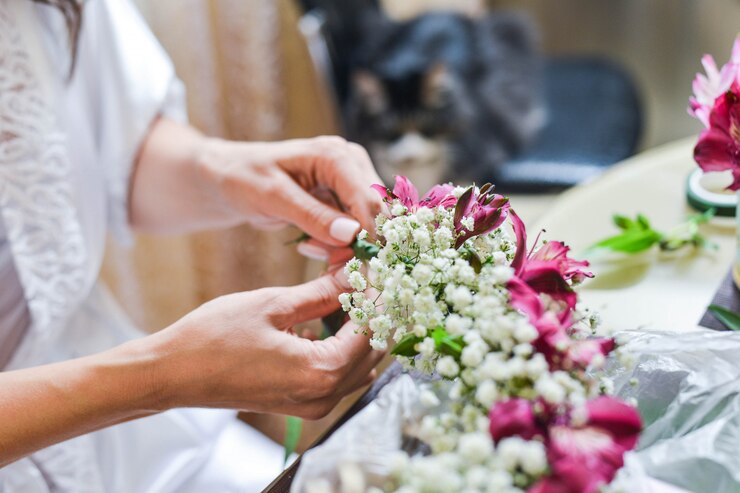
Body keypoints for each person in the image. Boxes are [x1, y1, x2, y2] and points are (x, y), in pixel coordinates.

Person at [0, 0, 385, 491]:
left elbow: (115, 149)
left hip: (139, 443)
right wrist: (160, 378)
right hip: (113, 399)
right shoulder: (154, 380)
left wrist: (225, 171)